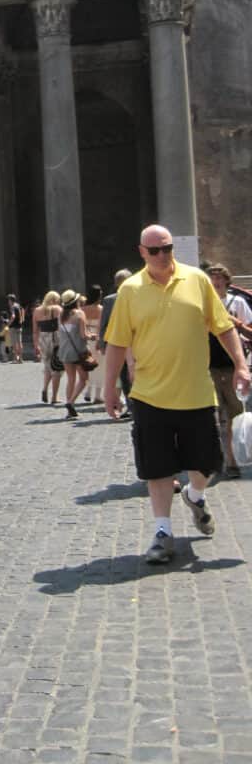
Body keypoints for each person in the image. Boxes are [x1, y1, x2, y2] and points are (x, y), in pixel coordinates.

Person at [104, 225, 251, 564]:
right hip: (149, 395)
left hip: (197, 392)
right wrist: (112, 386)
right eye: (154, 250)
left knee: (209, 463)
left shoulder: (197, 280)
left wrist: (241, 365)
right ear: (141, 252)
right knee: (157, 467)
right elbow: (117, 343)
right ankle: (162, 531)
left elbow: (224, 326)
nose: (162, 255)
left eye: (167, 248)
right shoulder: (130, 290)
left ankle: (195, 495)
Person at [205, 263, 252, 479]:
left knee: (235, 415)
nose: (215, 282)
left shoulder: (238, 302)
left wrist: (236, 323)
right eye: (211, 278)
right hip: (209, 366)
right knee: (214, 416)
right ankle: (222, 459)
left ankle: (233, 460)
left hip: (232, 366)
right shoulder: (202, 304)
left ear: (226, 281)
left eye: (218, 278)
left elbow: (250, 333)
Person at [97, 269, 133, 418]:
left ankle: (132, 406)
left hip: (117, 342)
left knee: (124, 376)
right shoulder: (136, 296)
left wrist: (102, 342)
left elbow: (104, 324)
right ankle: (135, 406)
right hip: (133, 342)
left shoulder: (109, 300)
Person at [57, 290, 89, 420]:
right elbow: (83, 335)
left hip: (64, 351)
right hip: (78, 351)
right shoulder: (80, 314)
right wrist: (92, 336)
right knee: (83, 379)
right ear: (76, 301)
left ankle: (70, 411)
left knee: (71, 379)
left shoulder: (60, 315)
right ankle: (70, 402)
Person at [32, 290, 63, 404]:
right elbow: (62, 326)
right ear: (55, 300)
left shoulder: (37, 311)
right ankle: (54, 397)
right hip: (55, 339)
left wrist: (36, 345)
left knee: (47, 366)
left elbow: (35, 331)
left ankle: (45, 389)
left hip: (43, 339)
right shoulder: (57, 309)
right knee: (57, 368)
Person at [83, 285, 104, 403]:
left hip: (86, 338)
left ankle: (88, 391)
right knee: (99, 367)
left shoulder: (83, 309)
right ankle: (97, 395)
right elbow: (101, 327)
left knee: (88, 366)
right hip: (96, 338)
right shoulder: (101, 309)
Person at [6, 294, 24, 363]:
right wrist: (21, 322)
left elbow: (13, 316)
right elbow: (22, 313)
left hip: (13, 327)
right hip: (19, 326)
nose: (8, 302)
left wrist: (9, 323)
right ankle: (21, 358)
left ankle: (16, 359)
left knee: (14, 343)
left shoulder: (12, 307)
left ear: (11, 300)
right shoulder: (18, 305)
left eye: (8, 300)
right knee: (19, 342)